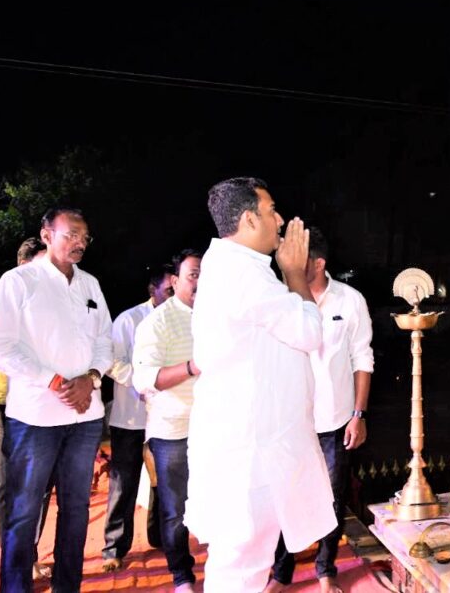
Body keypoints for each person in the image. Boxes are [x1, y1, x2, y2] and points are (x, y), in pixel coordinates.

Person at [186, 177, 335, 592]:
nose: (280, 220)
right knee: (240, 563)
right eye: (271, 211)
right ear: (249, 219)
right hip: (248, 450)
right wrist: (295, 273)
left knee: (245, 561)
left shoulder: (238, 269)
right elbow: (309, 332)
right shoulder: (242, 275)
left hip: (250, 442)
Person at [0, 207, 113, 592]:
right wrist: (55, 381)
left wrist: (91, 378)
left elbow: (105, 342)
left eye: (84, 237)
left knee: (76, 509)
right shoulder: (19, 281)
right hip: (35, 419)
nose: (79, 243)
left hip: (85, 417)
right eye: (71, 233)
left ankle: (66, 586)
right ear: (46, 234)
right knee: (24, 512)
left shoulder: (90, 284)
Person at [268, 227, 374, 593]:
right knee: (286, 496)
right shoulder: (280, 300)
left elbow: (362, 359)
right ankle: (280, 574)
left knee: (332, 498)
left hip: (334, 420)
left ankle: (326, 569)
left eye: (298, 258)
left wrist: (358, 415)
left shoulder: (350, 300)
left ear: (318, 263)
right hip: (288, 421)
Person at [0, 239, 53, 579]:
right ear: (22, 265)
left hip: (44, 404)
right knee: (12, 483)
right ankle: (14, 564)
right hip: (6, 403)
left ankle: (28, 556)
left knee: (41, 482)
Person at [132, 249, 203, 592]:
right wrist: (191, 367)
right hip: (173, 430)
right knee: (175, 510)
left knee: (221, 499)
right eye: (194, 275)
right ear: (175, 281)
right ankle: (182, 576)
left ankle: (226, 566)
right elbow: (143, 379)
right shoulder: (157, 322)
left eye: (206, 275)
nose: (201, 282)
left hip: (216, 427)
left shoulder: (219, 315)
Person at [101, 263, 174, 572]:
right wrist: (144, 382)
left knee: (166, 481)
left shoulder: (182, 320)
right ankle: (114, 547)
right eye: (168, 291)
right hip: (130, 418)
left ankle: (163, 538)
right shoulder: (129, 320)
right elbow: (111, 362)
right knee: (124, 482)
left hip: (168, 417)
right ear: (152, 289)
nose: (173, 296)